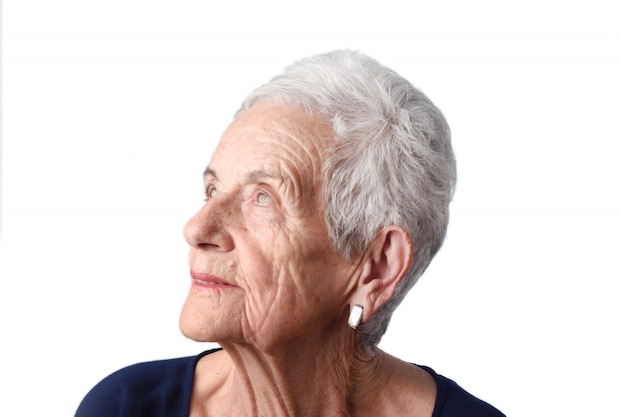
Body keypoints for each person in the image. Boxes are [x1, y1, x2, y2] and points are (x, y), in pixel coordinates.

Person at [75, 50, 505, 417]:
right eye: (212, 189)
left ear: (376, 266)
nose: (197, 228)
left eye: (263, 198)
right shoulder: (124, 405)